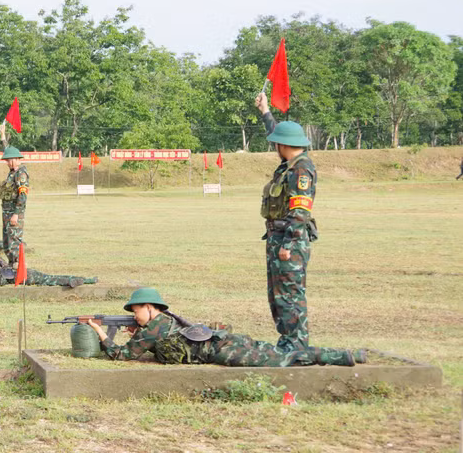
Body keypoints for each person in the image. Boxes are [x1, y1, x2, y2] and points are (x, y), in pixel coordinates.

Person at [86, 288, 365, 367]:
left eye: (135, 311)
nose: (134, 317)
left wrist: (100, 333)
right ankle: (340, 354)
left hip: (223, 350)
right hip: (224, 340)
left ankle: (339, 357)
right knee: (277, 351)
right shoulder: (163, 322)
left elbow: (122, 356)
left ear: (149, 307)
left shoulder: (154, 327)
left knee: (280, 359)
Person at [255, 92, 317, 353]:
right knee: (277, 296)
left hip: (288, 240)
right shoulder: (290, 163)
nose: (274, 147)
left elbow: (300, 211)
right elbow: (277, 133)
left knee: (290, 295)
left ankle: (297, 343)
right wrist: (265, 112)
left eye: (276, 143)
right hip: (276, 237)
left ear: (284, 145)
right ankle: (287, 341)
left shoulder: (301, 170)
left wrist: (288, 244)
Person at [0, 242, 96, 287]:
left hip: (21, 278)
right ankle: (86, 279)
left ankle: (72, 281)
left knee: (51, 281)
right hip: (22, 273)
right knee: (51, 278)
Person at [0, 141, 29, 265]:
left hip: (14, 212)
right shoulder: (12, 173)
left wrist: (16, 214)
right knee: (7, 240)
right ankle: (11, 264)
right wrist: (3, 137)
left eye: (10, 160)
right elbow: (8, 148)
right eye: (7, 160)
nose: (7, 163)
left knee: (14, 240)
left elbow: (23, 195)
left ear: (17, 159)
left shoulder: (21, 173)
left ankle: (18, 265)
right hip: (6, 211)